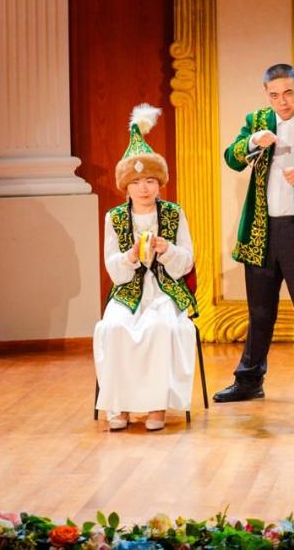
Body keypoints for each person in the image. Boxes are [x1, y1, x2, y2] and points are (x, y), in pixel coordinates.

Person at [213, 63, 294, 405]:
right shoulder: (256, 122)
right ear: (266, 94)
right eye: (274, 95)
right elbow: (231, 159)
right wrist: (251, 142)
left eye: (288, 93)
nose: (282, 101)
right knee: (259, 311)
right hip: (261, 230)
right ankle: (248, 380)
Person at [94, 104, 198, 431]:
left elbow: (187, 260)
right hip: (128, 292)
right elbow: (113, 268)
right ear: (126, 186)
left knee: (160, 329)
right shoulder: (115, 218)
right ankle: (120, 405)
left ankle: (156, 405)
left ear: (159, 183)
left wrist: (167, 251)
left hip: (165, 292)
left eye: (150, 180)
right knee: (113, 328)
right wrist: (129, 257)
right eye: (136, 181)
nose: (144, 188)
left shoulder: (173, 213)